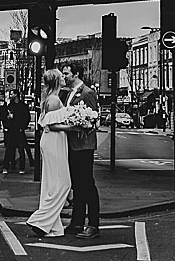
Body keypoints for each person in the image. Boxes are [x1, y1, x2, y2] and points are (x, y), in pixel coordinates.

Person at [24, 70, 74, 238]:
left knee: (53, 184)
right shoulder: (53, 100)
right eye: (61, 76)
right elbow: (51, 125)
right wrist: (74, 128)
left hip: (55, 141)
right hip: (53, 141)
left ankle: (52, 227)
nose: (64, 77)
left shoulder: (52, 97)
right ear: (56, 81)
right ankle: (39, 219)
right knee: (63, 184)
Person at [60, 61, 101, 239]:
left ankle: (93, 224)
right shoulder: (68, 94)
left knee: (88, 185)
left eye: (66, 74)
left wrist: (82, 125)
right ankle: (77, 222)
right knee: (77, 185)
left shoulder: (88, 93)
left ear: (76, 74)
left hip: (84, 146)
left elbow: (94, 119)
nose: (64, 77)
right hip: (72, 145)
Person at [3, 90, 33, 173]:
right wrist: (7, 124)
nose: (10, 95)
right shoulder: (9, 106)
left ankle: (21, 168)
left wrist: (22, 127)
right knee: (9, 149)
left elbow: (26, 117)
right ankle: (6, 167)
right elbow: (4, 116)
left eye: (11, 94)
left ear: (16, 95)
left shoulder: (23, 106)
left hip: (19, 130)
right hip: (11, 130)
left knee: (21, 149)